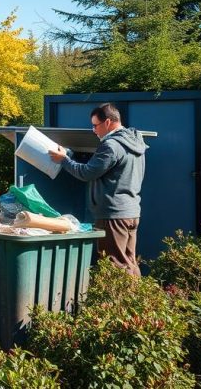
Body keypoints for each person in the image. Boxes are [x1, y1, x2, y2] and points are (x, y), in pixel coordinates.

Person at [48, 103, 147, 276]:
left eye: (95, 125)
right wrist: (70, 156)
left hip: (113, 214)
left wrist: (63, 160)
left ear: (108, 122)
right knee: (129, 262)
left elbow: (87, 173)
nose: (93, 130)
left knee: (114, 265)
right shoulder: (134, 141)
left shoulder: (111, 146)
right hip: (130, 212)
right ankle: (137, 301)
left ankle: (118, 303)